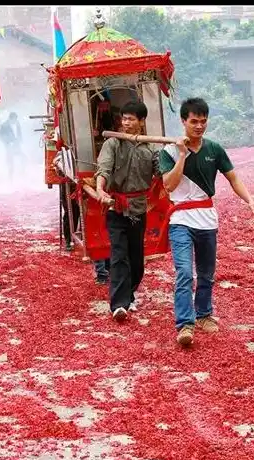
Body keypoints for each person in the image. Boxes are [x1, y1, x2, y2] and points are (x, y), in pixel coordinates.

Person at [159, 97, 254, 346]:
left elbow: (233, 179)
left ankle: (203, 314)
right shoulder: (169, 151)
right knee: (184, 272)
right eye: (194, 121)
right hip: (180, 218)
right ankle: (185, 324)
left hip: (206, 219)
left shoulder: (214, 149)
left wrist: (249, 199)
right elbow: (168, 184)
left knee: (206, 273)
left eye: (203, 122)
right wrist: (182, 155)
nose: (199, 126)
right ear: (183, 121)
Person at [95, 101, 160, 322]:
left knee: (137, 259)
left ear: (142, 122)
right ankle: (119, 305)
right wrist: (100, 189)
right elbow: (103, 169)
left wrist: (180, 155)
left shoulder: (152, 148)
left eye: (131, 119)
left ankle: (128, 293)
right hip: (115, 206)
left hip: (138, 209)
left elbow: (163, 174)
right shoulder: (112, 144)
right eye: (124, 118)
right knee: (118, 255)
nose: (126, 123)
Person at [0, 112, 26, 181]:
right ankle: (10, 177)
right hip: (9, 146)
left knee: (23, 157)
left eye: (16, 119)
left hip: (17, 145)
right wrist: (8, 142)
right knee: (10, 162)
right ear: (10, 119)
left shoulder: (17, 124)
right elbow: (1, 136)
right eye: (14, 119)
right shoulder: (4, 125)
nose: (15, 121)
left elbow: (19, 133)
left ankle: (22, 174)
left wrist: (21, 141)